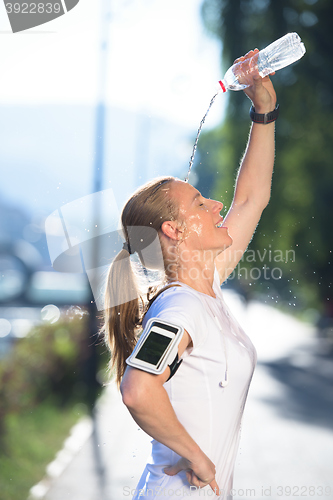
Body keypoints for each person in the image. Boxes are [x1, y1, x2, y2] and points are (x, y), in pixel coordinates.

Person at [104, 49, 277, 499]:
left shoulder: (206, 287)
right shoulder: (180, 308)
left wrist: (263, 110)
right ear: (173, 230)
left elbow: (250, 199)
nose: (215, 206)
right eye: (200, 203)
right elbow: (139, 391)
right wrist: (196, 456)